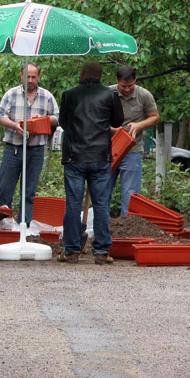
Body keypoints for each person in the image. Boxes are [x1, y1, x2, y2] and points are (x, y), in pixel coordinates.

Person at [58, 61, 123, 264]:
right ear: (101, 76)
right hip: (100, 156)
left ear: (82, 74)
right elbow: (117, 122)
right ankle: (102, 251)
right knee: (102, 205)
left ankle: (71, 250)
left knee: (73, 205)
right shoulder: (110, 95)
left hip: (74, 157)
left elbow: (63, 123)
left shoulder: (69, 95)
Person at [0, 62, 59, 224]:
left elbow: (57, 118)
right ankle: (4, 226)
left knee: (29, 192)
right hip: (13, 148)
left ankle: (26, 226)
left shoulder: (47, 96)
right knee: (5, 189)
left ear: (39, 77)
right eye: (27, 76)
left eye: (33, 77)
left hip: (36, 150)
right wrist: (15, 125)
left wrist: (42, 120)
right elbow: (0, 116)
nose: (30, 80)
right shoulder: (11, 94)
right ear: (21, 76)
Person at [108, 65, 159, 216]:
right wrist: (112, 130)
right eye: (123, 86)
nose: (127, 90)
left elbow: (155, 117)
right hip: (108, 150)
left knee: (130, 194)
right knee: (102, 190)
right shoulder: (107, 93)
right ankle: (101, 227)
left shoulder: (143, 95)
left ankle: (127, 229)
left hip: (132, 150)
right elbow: (96, 119)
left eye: (130, 86)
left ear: (135, 81)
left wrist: (139, 125)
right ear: (117, 81)